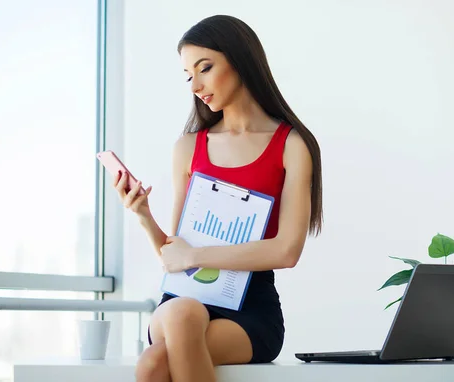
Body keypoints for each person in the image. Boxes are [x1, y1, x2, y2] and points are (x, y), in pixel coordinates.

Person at [113, 15, 323, 382]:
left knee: (152, 365)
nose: (195, 84)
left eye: (204, 68)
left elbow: (287, 251)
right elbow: (174, 254)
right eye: (187, 74)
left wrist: (194, 256)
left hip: (250, 309)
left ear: (239, 59)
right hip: (181, 300)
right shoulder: (188, 148)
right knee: (182, 314)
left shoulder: (291, 145)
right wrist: (144, 214)